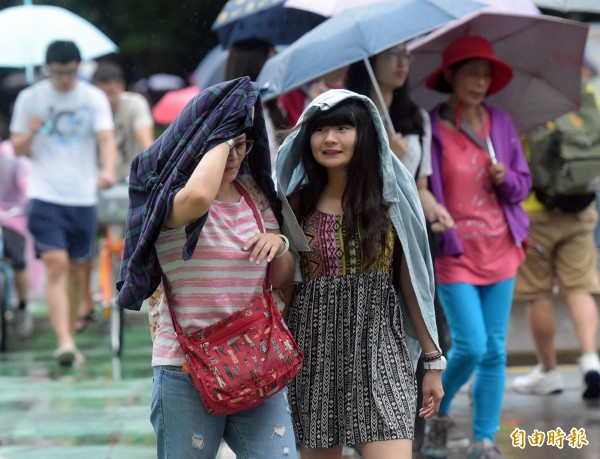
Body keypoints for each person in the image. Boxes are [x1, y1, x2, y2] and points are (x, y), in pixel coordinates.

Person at [117, 76, 297, 459]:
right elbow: (200, 196)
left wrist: (279, 244)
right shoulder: (165, 197)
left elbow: (282, 281)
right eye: (224, 146)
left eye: (242, 145)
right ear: (201, 141)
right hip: (184, 370)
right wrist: (220, 135)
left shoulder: (257, 196)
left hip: (257, 362)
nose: (234, 157)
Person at [276, 89, 445, 459]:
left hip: (381, 348)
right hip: (312, 353)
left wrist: (433, 362)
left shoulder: (390, 202)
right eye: (320, 130)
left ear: (365, 134)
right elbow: (285, 287)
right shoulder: (296, 204)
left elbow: (410, 281)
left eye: (342, 128)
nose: (330, 139)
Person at [420, 36, 531, 459]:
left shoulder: (500, 123)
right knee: (471, 345)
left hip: (501, 247)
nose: (480, 82)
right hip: (456, 251)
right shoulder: (432, 125)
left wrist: (508, 178)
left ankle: (485, 440)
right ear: (450, 75)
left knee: (496, 350)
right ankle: (439, 412)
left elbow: (523, 186)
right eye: (471, 73)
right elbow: (424, 187)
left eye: (486, 75)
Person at [346, 43, 455, 453]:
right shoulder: (351, 117)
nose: (401, 62)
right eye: (391, 54)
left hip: (412, 239)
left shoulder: (416, 119)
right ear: (369, 63)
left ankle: (413, 436)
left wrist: (436, 209)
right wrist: (380, 152)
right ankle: (365, 436)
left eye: (405, 54)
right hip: (369, 239)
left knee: (429, 332)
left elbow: (421, 187)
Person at [10, 41, 117, 366]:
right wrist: (30, 133)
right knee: (56, 263)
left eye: (71, 72)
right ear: (48, 69)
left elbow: (105, 138)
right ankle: (65, 341)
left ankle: (69, 329)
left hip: (82, 196)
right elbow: (17, 149)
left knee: (77, 269)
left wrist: (108, 170)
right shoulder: (31, 98)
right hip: (44, 194)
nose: (65, 79)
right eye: (59, 73)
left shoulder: (93, 97)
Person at [512, 69, 600, 399]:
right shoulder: (582, 92)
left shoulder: (519, 98)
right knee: (580, 285)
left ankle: (549, 371)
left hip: (534, 210)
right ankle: (591, 359)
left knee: (538, 292)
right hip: (580, 205)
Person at [69, 61, 155, 333]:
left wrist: (150, 170)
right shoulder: (84, 108)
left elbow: (146, 143)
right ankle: (85, 302)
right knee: (84, 244)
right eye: (101, 92)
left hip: (130, 177)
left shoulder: (135, 104)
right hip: (92, 180)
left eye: (112, 92)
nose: (107, 99)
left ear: (121, 88)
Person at [0, 138, 33, 338]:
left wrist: (29, 201)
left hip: (13, 217)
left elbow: (26, 184)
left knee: (19, 262)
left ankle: (22, 306)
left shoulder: (11, 155)